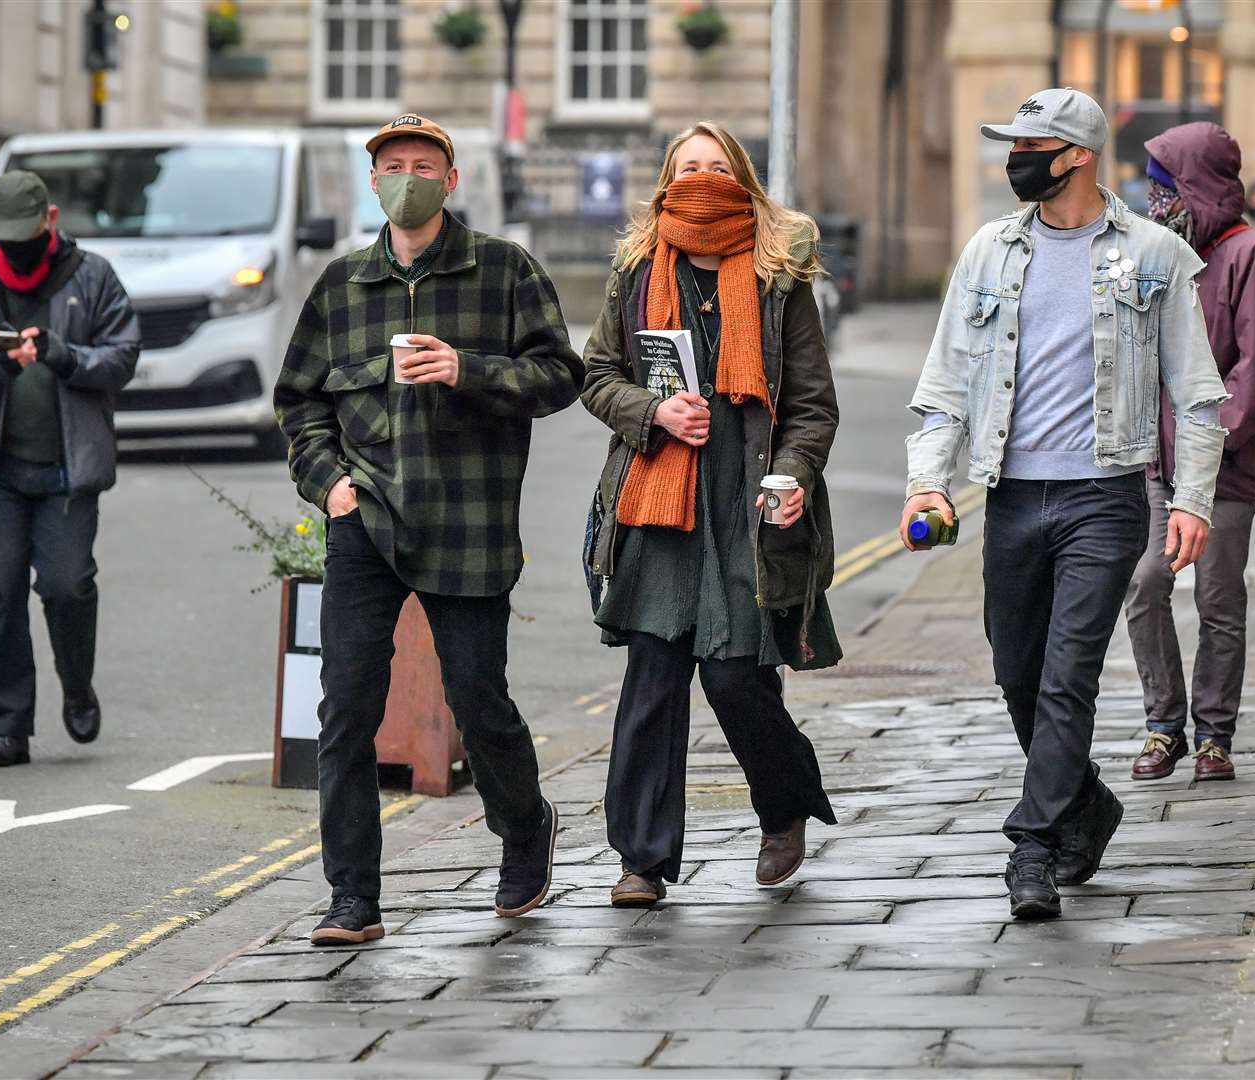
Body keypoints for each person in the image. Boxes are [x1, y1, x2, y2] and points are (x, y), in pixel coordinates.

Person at [902, 89, 1226, 920]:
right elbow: (943, 388)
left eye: (1030, 142)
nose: (1015, 156)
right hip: (1010, 496)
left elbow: (1196, 396)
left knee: (1066, 675)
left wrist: (1192, 501)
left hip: (1106, 497)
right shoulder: (986, 253)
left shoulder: (1154, 255)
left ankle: (1033, 847)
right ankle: (1089, 804)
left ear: (1077, 153)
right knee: (1017, 673)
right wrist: (929, 482)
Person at [274, 115, 583, 945]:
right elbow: (299, 401)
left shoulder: (503, 270)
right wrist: (328, 484)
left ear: (451, 181)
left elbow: (562, 375)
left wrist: (467, 368)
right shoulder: (342, 286)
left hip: (470, 521)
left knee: (479, 701)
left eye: (424, 164)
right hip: (365, 523)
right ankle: (354, 898)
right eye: (392, 166)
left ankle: (524, 828)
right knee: (344, 712)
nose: (407, 176)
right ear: (373, 183)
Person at [580, 121, 840, 907]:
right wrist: (650, 414)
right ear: (666, 178)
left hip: (744, 506)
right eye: (687, 166)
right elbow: (596, 374)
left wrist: (792, 474)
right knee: (653, 679)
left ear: (743, 179)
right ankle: (642, 861)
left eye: (716, 166)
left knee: (734, 680)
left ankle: (784, 804)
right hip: (660, 502)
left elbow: (812, 407)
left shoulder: (777, 278)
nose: (700, 178)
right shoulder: (635, 270)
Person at [0, 170, 139, 766]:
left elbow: (122, 355)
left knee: (68, 586)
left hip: (68, 464)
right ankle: (8, 729)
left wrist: (64, 355)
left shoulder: (91, 276)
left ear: (52, 219)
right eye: (5, 237)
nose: (14, 249)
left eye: (26, 234)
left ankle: (75, 683)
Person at [1128, 124, 1255, 784]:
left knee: (1218, 600)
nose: (1153, 202)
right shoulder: (1165, 256)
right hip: (1158, 464)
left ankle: (1214, 736)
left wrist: (1210, 441)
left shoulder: (1253, 255)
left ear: (1195, 188)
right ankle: (1163, 724)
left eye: (1163, 189)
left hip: (1224, 465)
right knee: (1145, 585)